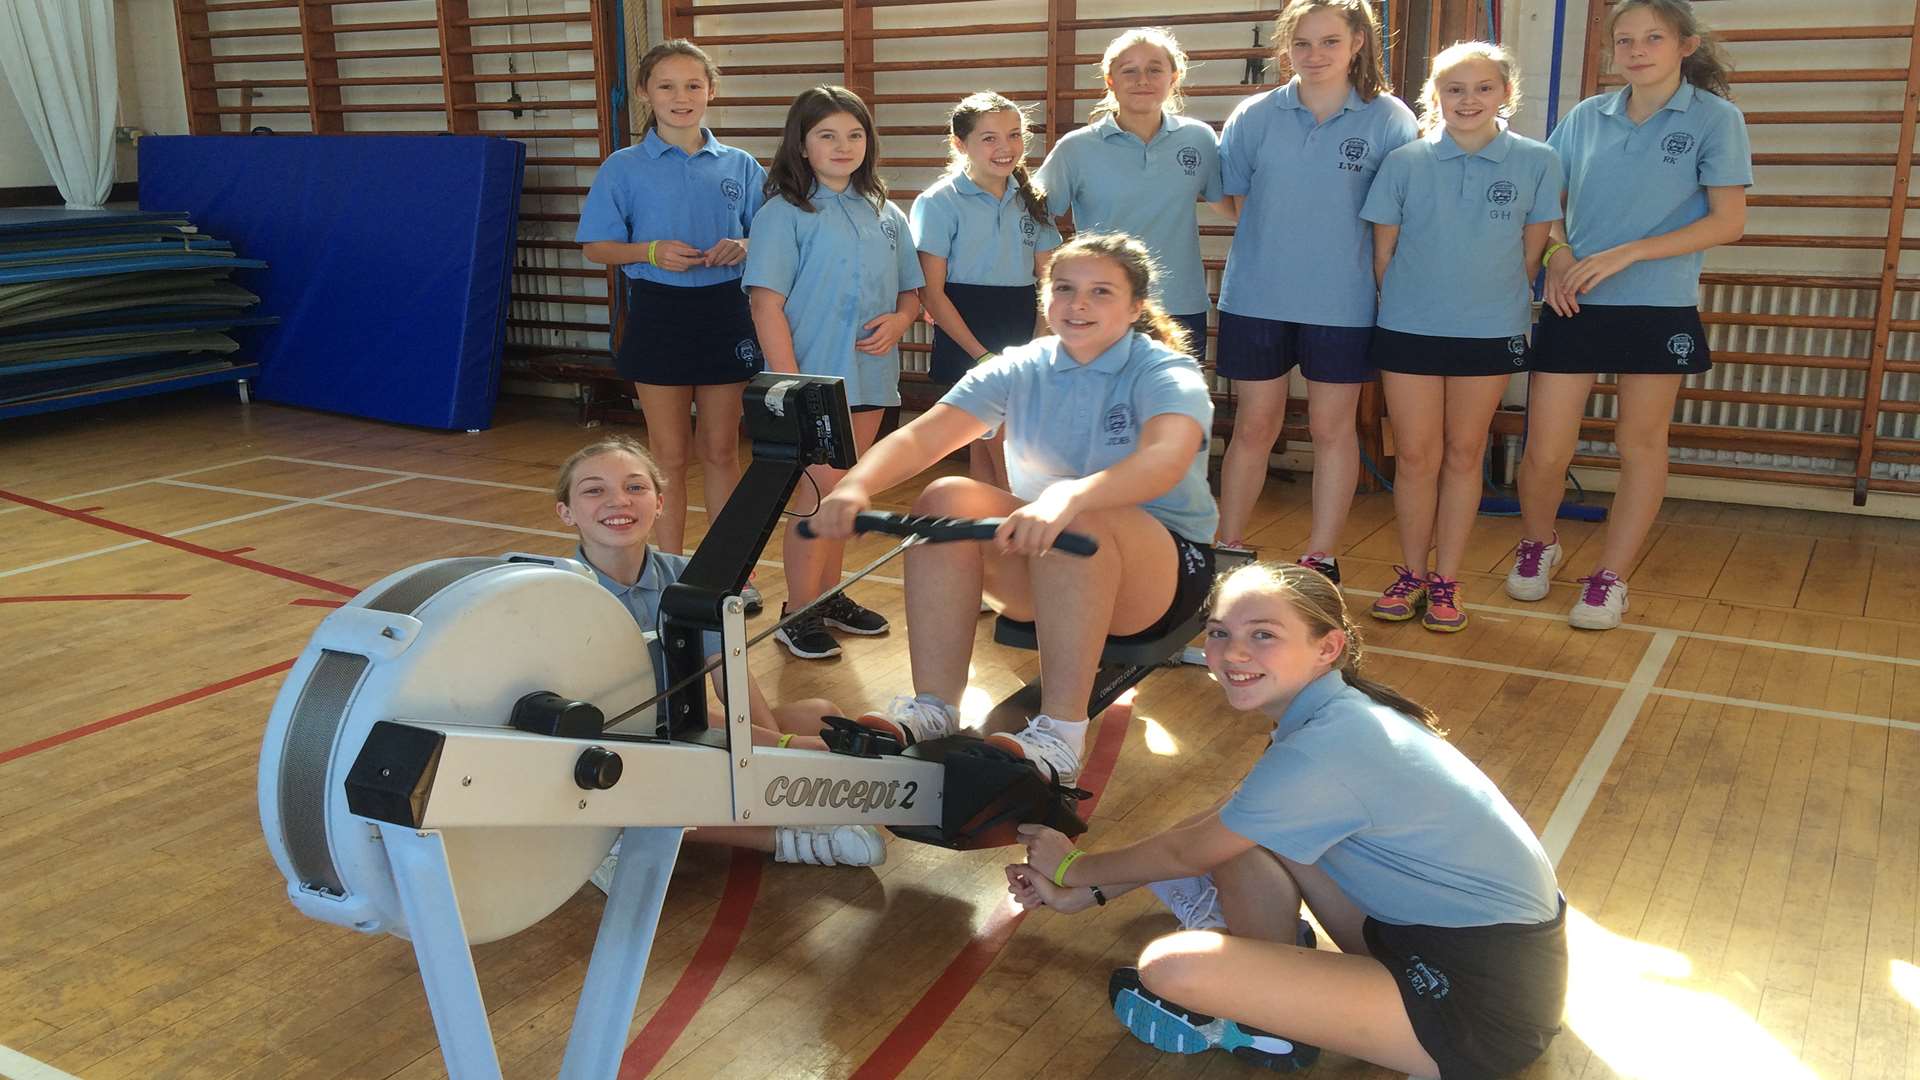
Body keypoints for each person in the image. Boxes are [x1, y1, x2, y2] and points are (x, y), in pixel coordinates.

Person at [1006, 561, 1567, 1077]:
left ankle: (1273, 1030)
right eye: (1221, 631)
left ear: (1328, 648)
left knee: (1170, 967)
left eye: (1263, 635)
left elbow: (1188, 853)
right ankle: (1278, 984)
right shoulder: (1339, 714)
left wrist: (1076, 867)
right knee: (1246, 839)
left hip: (1478, 1011)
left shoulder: (1329, 744)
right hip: (1449, 948)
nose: (1232, 652)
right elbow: (1225, 823)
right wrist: (1093, 891)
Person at [808, 232, 1217, 785]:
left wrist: (1068, 496)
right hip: (1047, 553)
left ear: (1135, 306)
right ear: (1045, 296)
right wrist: (854, 489)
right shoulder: (1020, 366)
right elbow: (925, 438)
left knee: (1076, 514)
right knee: (945, 498)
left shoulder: (1164, 371)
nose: (1078, 304)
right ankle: (933, 707)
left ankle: (1060, 736)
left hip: (1159, 574)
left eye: (1101, 292)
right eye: (1065, 288)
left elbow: (1166, 459)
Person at [1511, 0, 1749, 629]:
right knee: (1545, 448)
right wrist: (1557, 256)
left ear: (1685, 46)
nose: (1637, 50)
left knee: (1639, 444)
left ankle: (1610, 577)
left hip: (1659, 306)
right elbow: (1546, 203)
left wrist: (1630, 252)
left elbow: (1729, 221)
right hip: (1576, 302)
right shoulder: (1587, 117)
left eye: (1652, 38)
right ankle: (1539, 543)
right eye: (1625, 40)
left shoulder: (1715, 120)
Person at [553, 436, 887, 874]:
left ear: (659, 503)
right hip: (602, 749)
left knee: (818, 715)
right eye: (594, 490)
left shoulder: (692, 576)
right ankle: (784, 839)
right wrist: (777, 757)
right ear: (566, 512)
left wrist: (775, 758)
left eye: (635, 487)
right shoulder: (555, 591)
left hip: (678, 732)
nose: (618, 500)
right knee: (638, 789)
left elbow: (726, 674)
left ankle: (762, 802)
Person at [1211, 0, 1418, 581]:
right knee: (1254, 427)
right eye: (1302, 43)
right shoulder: (1254, 115)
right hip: (1256, 297)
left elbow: (1399, 215)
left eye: (1329, 41)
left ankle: (1321, 554)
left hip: (1344, 303)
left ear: (1357, 42)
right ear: (1286, 49)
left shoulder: (1390, 118)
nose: (1315, 55)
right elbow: (1233, 200)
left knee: (1332, 429)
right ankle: (1229, 543)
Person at [1360, 42, 1564, 633]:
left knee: (1464, 454)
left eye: (1482, 88)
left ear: (1504, 95)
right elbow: (1384, 252)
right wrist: (1411, 304)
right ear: (1435, 97)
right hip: (1409, 327)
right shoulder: (1405, 161)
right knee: (1417, 456)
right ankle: (1410, 574)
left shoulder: (1538, 160)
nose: (1468, 100)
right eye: (1454, 89)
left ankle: (1447, 580)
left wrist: (1494, 303)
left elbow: (1533, 249)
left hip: (1490, 330)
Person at [575, 41, 766, 613]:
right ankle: (668, 576)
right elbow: (596, 247)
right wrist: (650, 251)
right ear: (644, 93)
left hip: (726, 313)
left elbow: (776, 240)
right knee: (668, 455)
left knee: (723, 450)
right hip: (658, 312)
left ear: (711, 90)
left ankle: (730, 573)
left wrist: (748, 244)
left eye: (692, 85)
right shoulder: (623, 167)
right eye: (666, 86)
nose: (681, 98)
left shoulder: (741, 166)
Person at [744, 85, 924, 660]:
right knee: (816, 495)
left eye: (854, 134)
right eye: (827, 134)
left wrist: (900, 320)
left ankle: (827, 597)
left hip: (870, 379)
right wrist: (790, 385)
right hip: (812, 383)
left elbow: (911, 296)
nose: (843, 145)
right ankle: (798, 611)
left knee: (848, 493)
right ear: (801, 144)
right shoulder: (783, 214)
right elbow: (765, 305)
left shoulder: (886, 212)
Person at [1034, 27, 1231, 359]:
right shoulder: (1076, 148)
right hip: (1099, 308)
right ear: (1110, 80)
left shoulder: (1199, 139)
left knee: (1173, 410)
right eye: (1130, 70)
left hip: (1179, 305)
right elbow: (1034, 218)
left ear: (1174, 76)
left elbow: (1233, 206)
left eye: (1155, 68)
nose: (1143, 79)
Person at [911, 91, 1062, 489]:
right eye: (990, 138)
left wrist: (1038, 342)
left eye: (1014, 135)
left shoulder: (1033, 199)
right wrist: (980, 356)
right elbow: (931, 293)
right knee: (1002, 446)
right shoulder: (939, 202)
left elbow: (1050, 281)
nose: (1005, 148)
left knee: (990, 444)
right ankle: (1008, 535)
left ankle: (987, 537)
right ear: (960, 144)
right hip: (966, 331)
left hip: (1023, 329)